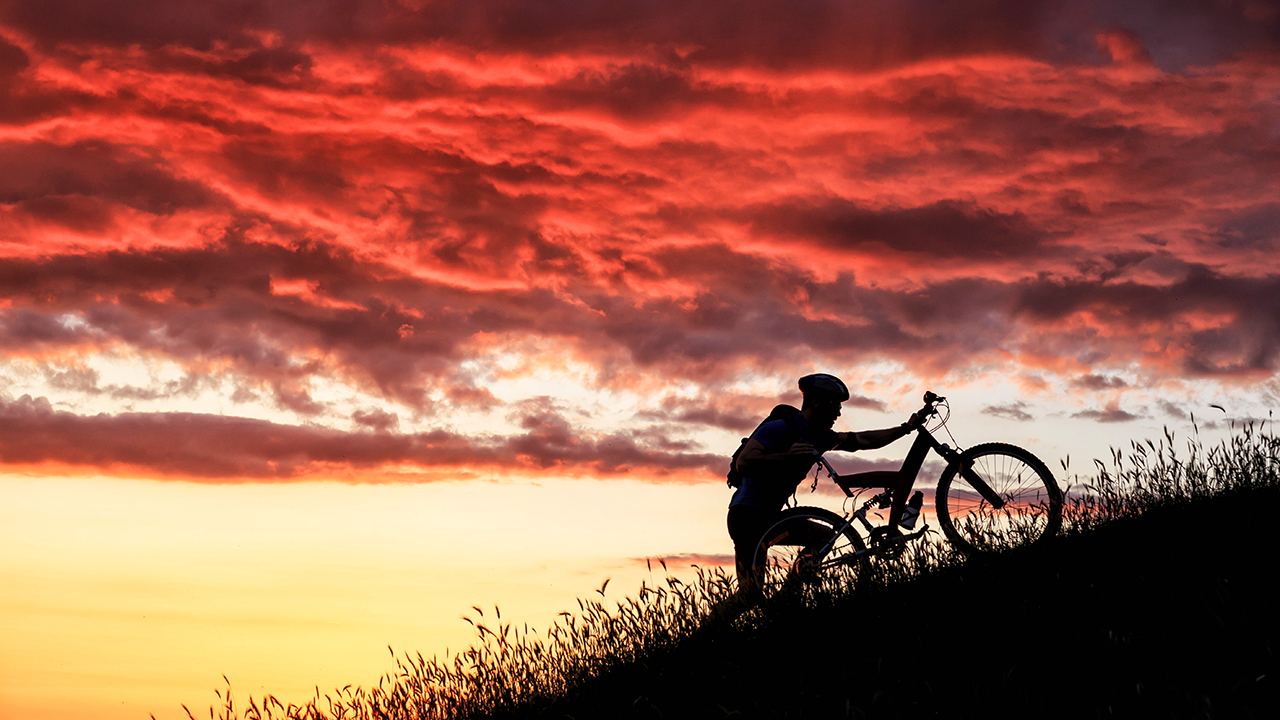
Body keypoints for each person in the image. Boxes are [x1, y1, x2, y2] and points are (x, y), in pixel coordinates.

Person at [726, 373, 924, 598]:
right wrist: (785, 457)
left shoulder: (821, 437)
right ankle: (704, 633)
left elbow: (864, 440)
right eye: (835, 405)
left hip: (772, 517)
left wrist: (906, 428)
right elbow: (744, 462)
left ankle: (786, 597)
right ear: (816, 402)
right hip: (747, 516)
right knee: (748, 596)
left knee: (823, 537)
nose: (839, 412)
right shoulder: (780, 428)